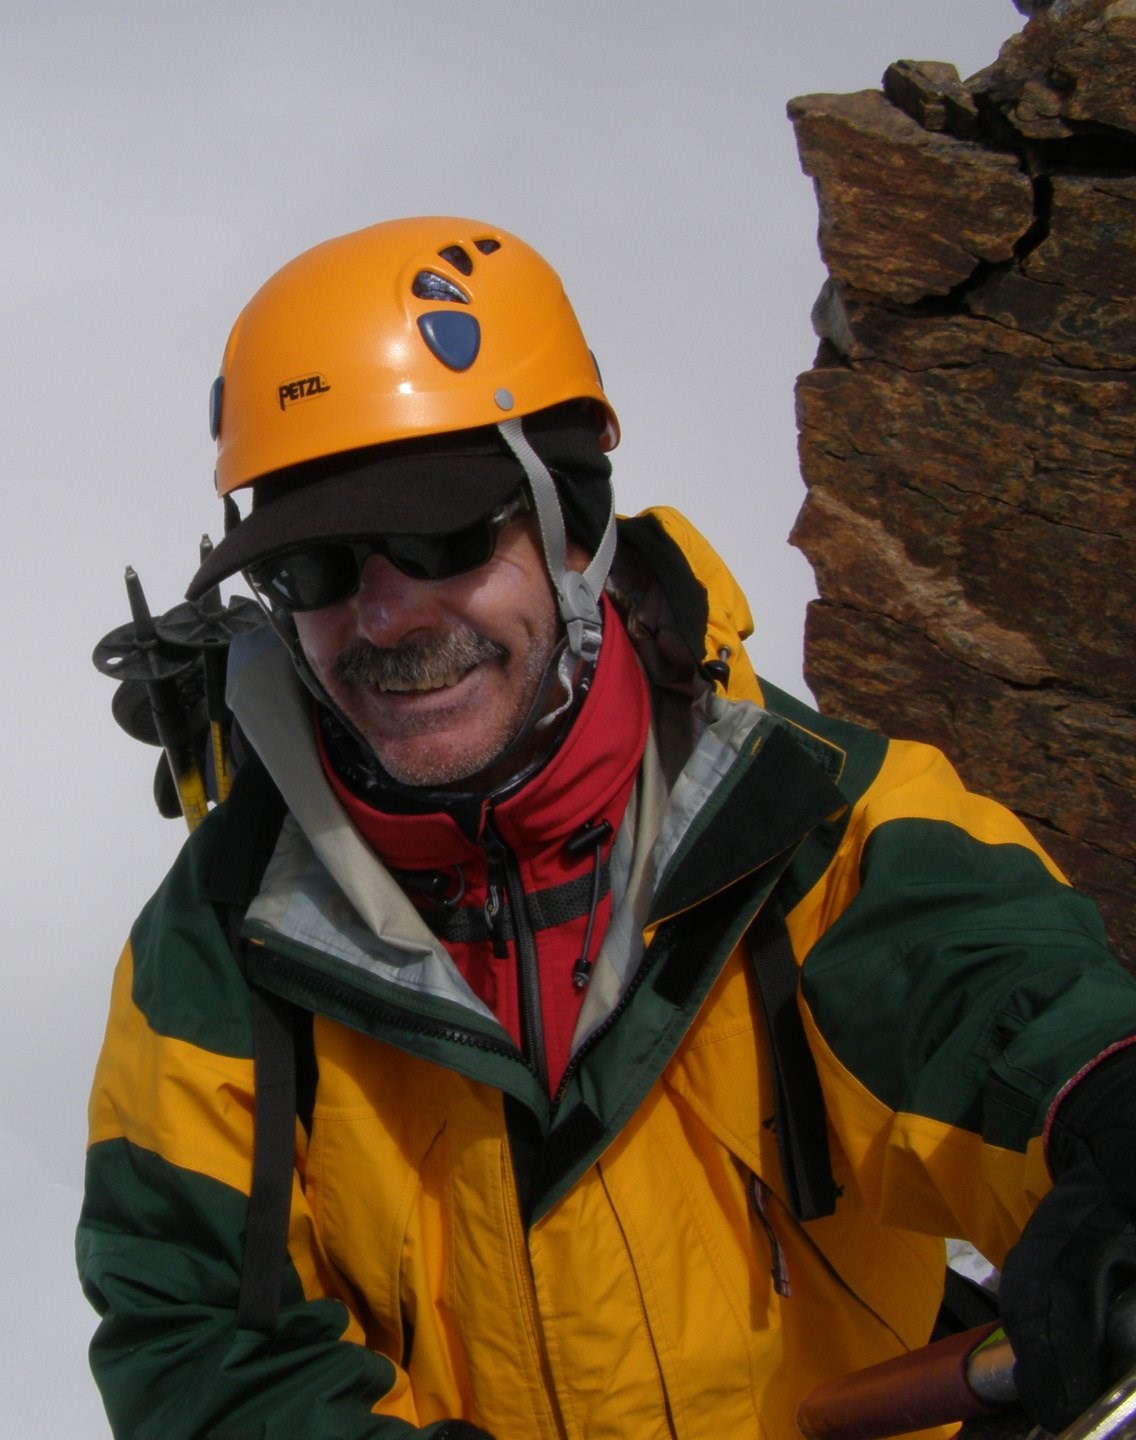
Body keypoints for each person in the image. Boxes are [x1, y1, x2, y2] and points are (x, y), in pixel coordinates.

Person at [75, 217, 1136, 1440]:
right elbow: (197, 1345)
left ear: (573, 521)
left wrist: (1113, 1117)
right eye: (314, 567)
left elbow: (1004, 998)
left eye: (437, 537)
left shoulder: (815, 824)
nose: (384, 615)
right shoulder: (217, 953)